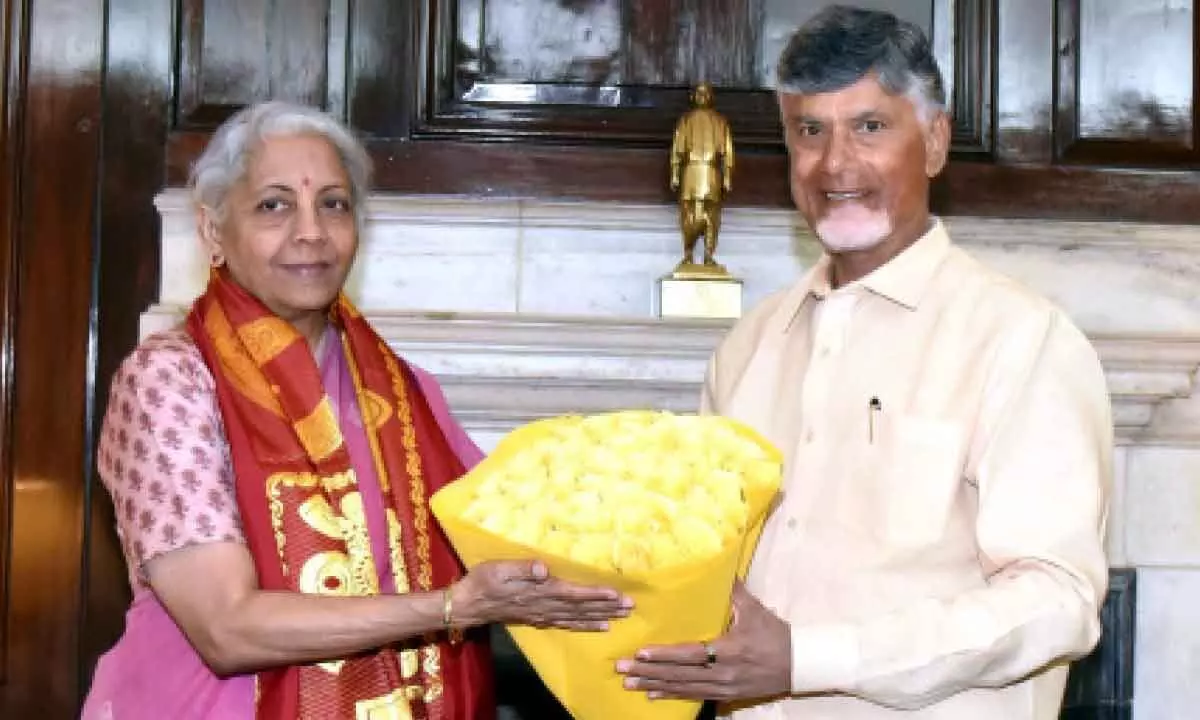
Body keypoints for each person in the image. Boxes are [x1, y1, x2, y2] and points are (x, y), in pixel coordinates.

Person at [618, 6, 1112, 719]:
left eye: (870, 127)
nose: (835, 164)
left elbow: (1057, 601)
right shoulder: (748, 347)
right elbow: (701, 571)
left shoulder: (1022, 340)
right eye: (809, 131)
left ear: (935, 141)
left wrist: (808, 658)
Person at [82, 101, 632, 720]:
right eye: (274, 204)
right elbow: (226, 629)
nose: (311, 231)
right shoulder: (171, 380)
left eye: (333, 204)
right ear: (213, 231)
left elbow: (516, 533)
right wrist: (452, 608)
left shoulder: (400, 390)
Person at [670, 82, 735, 274]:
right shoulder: (686, 120)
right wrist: (674, 173)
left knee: (712, 215)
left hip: (711, 171)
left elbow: (727, 152)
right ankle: (688, 252)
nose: (703, 97)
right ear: (693, 97)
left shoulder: (720, 122)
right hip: (690, 170)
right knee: (688, 212)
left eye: (706, 93)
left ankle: (708, 254)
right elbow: (677, 149)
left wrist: (727, 176)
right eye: (699, 93)